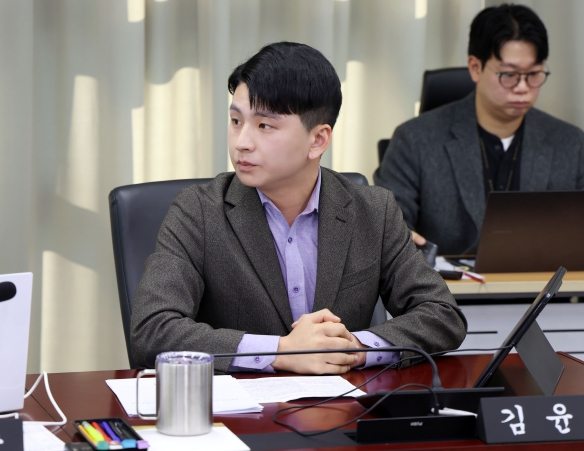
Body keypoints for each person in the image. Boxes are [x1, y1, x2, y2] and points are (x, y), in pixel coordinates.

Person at [131, 42, 466, 374]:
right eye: (236, 121)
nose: (241, 142)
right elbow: (152, 329)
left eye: (264, 126)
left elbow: (442, 315)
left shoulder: (374, 211)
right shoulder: (198, 212)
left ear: (317, 140)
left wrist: (356, 348)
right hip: (241, 404)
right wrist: (278, 352)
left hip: (344, 400)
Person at [374, 4, 584, 255]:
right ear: (475, 67)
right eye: (509, 74)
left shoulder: (570, 143)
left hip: (545, 280)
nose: (522, 87)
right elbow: (387, 228)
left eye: (534, 74)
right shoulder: (415, 140)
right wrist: (398, 239)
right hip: (443, 281)